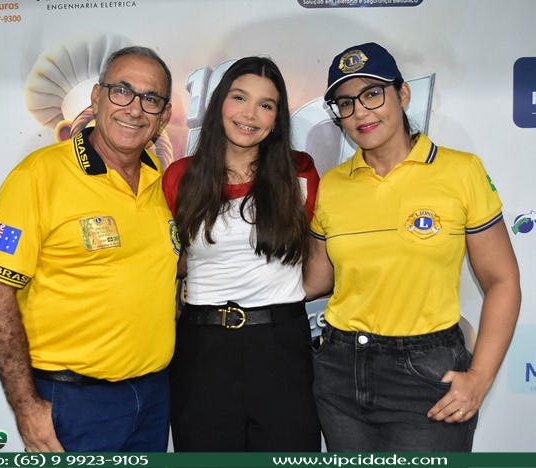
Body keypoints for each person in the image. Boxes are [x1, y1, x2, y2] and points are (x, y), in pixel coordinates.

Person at [304, 42, 521, 452]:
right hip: (339, 372)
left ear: (402, 94)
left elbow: (503, 281)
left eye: (372, 94)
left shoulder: (461, 171)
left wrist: (480, 378)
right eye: (346, 103)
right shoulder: (332, 185)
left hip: (426, 374)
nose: (360, 112)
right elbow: (314, 280)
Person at [0, 46, 179, 452]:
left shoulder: (161, 181)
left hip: (153, 398)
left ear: (164, 115)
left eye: (151, 99)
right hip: (73, 401)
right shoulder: (37, 175)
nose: (135, 109)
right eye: (122, 91)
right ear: (97, 97)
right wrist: (26, 407)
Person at [163, 56, 321, 452]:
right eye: (239, 98)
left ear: (276, 119)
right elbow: (172, 261)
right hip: (202, 347)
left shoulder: (301, 173)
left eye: (266, 105)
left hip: (281, 344)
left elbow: (320, 257)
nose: (250, 114)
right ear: (219, 103)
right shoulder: (180, 177)